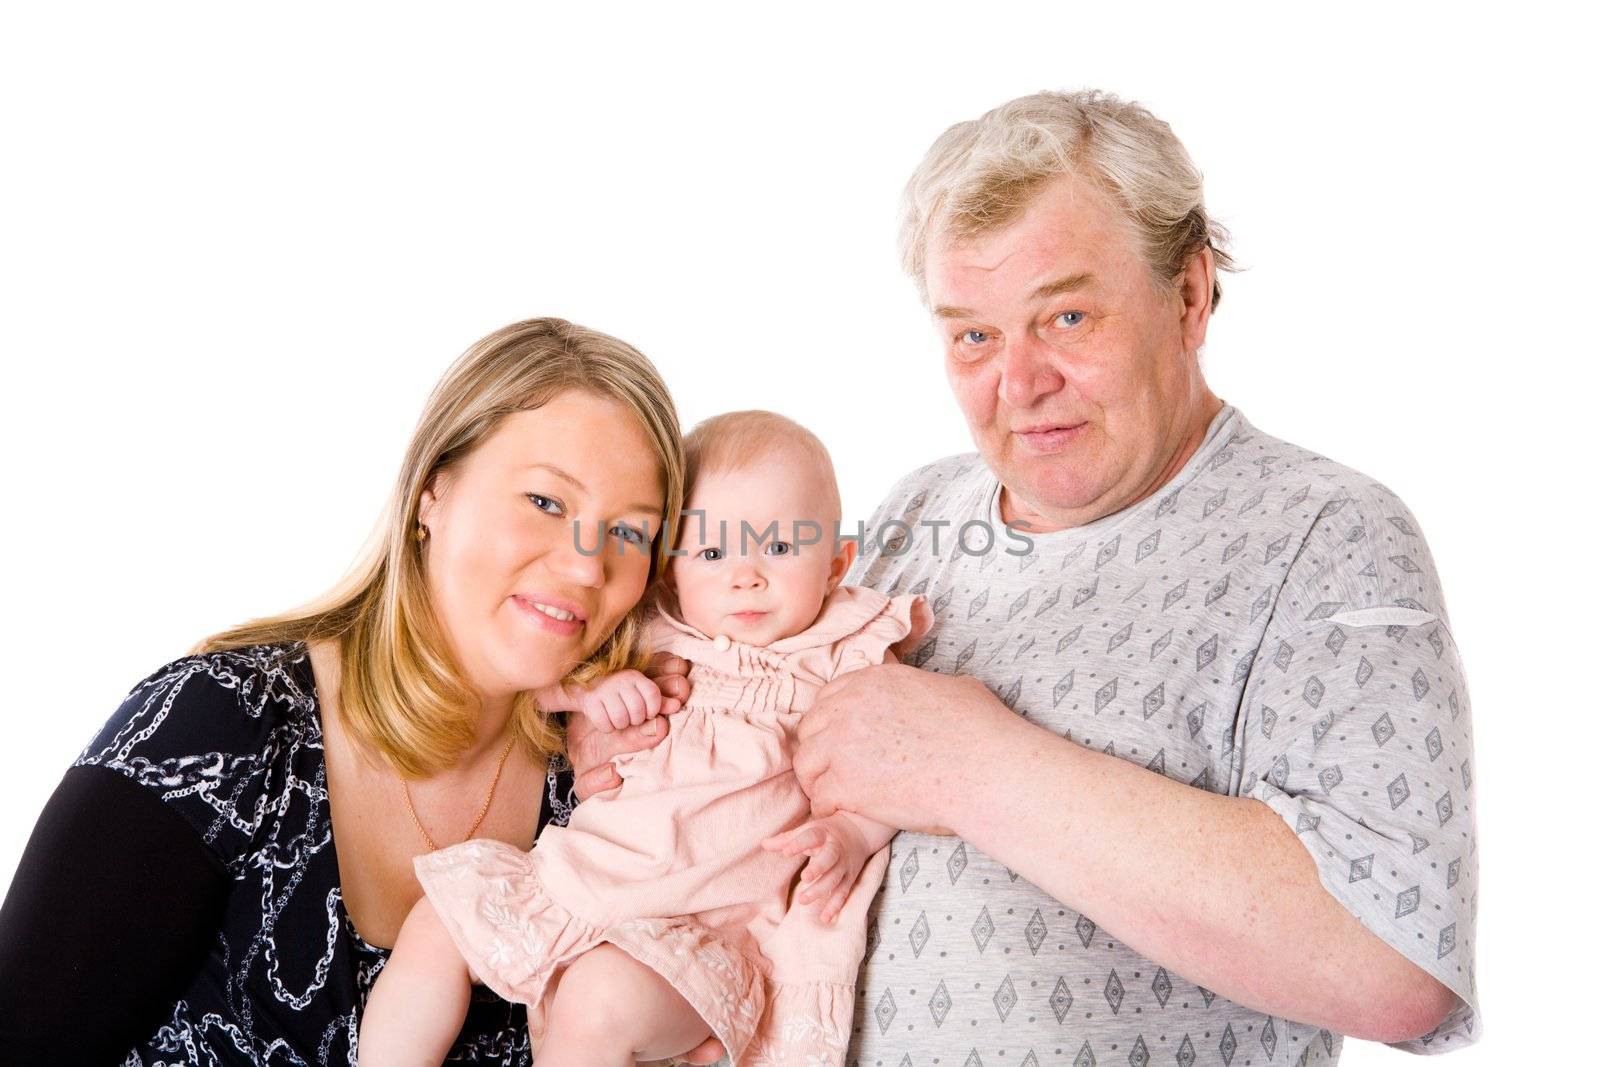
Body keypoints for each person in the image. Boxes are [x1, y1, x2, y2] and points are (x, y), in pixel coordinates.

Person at [573, 91, 1482, 1065]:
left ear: (1188, 295)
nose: (1017, 381)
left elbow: (1397, 959)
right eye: (973, 334)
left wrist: (975, 766)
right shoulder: (915, 510)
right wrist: (631, 741)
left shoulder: (1322, 533)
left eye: (1067, 316)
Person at [0, 317, 727, 1065]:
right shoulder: (220, 727)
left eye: (631, 533)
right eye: (545, 501)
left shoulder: (609, 796)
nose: (585, 567)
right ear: (432, 493)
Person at [359, 411, 931, 1067]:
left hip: (702, 931)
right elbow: (538, 682)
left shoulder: (846, 652)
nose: (745, 575)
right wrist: (589, 693)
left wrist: (853, 834)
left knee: (598, 1002)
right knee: (437, 923)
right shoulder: (651, 629)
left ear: (836, 564)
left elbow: (896, 765)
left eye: (777, 548)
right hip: (582, 878)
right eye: (712, 553)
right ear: (672, 569)